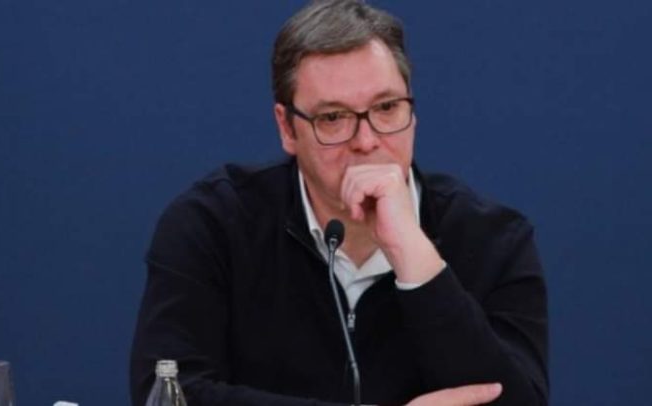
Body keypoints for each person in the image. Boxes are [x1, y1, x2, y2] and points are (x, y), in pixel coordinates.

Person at [130, 1, 548, 405]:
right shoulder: (213, 224)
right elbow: (168, 394)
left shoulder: (495, 240)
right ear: (287, 128)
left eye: (387, 108)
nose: (366, 141)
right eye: (333, 117)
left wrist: (416, 259)